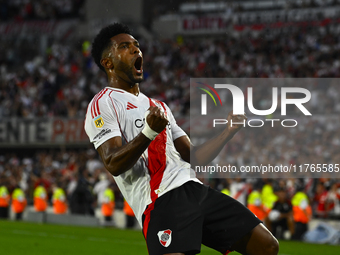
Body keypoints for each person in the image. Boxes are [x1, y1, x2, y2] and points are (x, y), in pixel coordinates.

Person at [85, 23, 278, 255]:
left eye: (137, 46)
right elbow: (113, 163)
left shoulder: (160, 106)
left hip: (195, 190)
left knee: (266, 246)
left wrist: (228, 132)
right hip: (161, 201)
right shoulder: (103, 103)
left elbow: (195, 157)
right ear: (108, 63)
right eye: (125, 47)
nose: (137, 51)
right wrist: (148, 132)